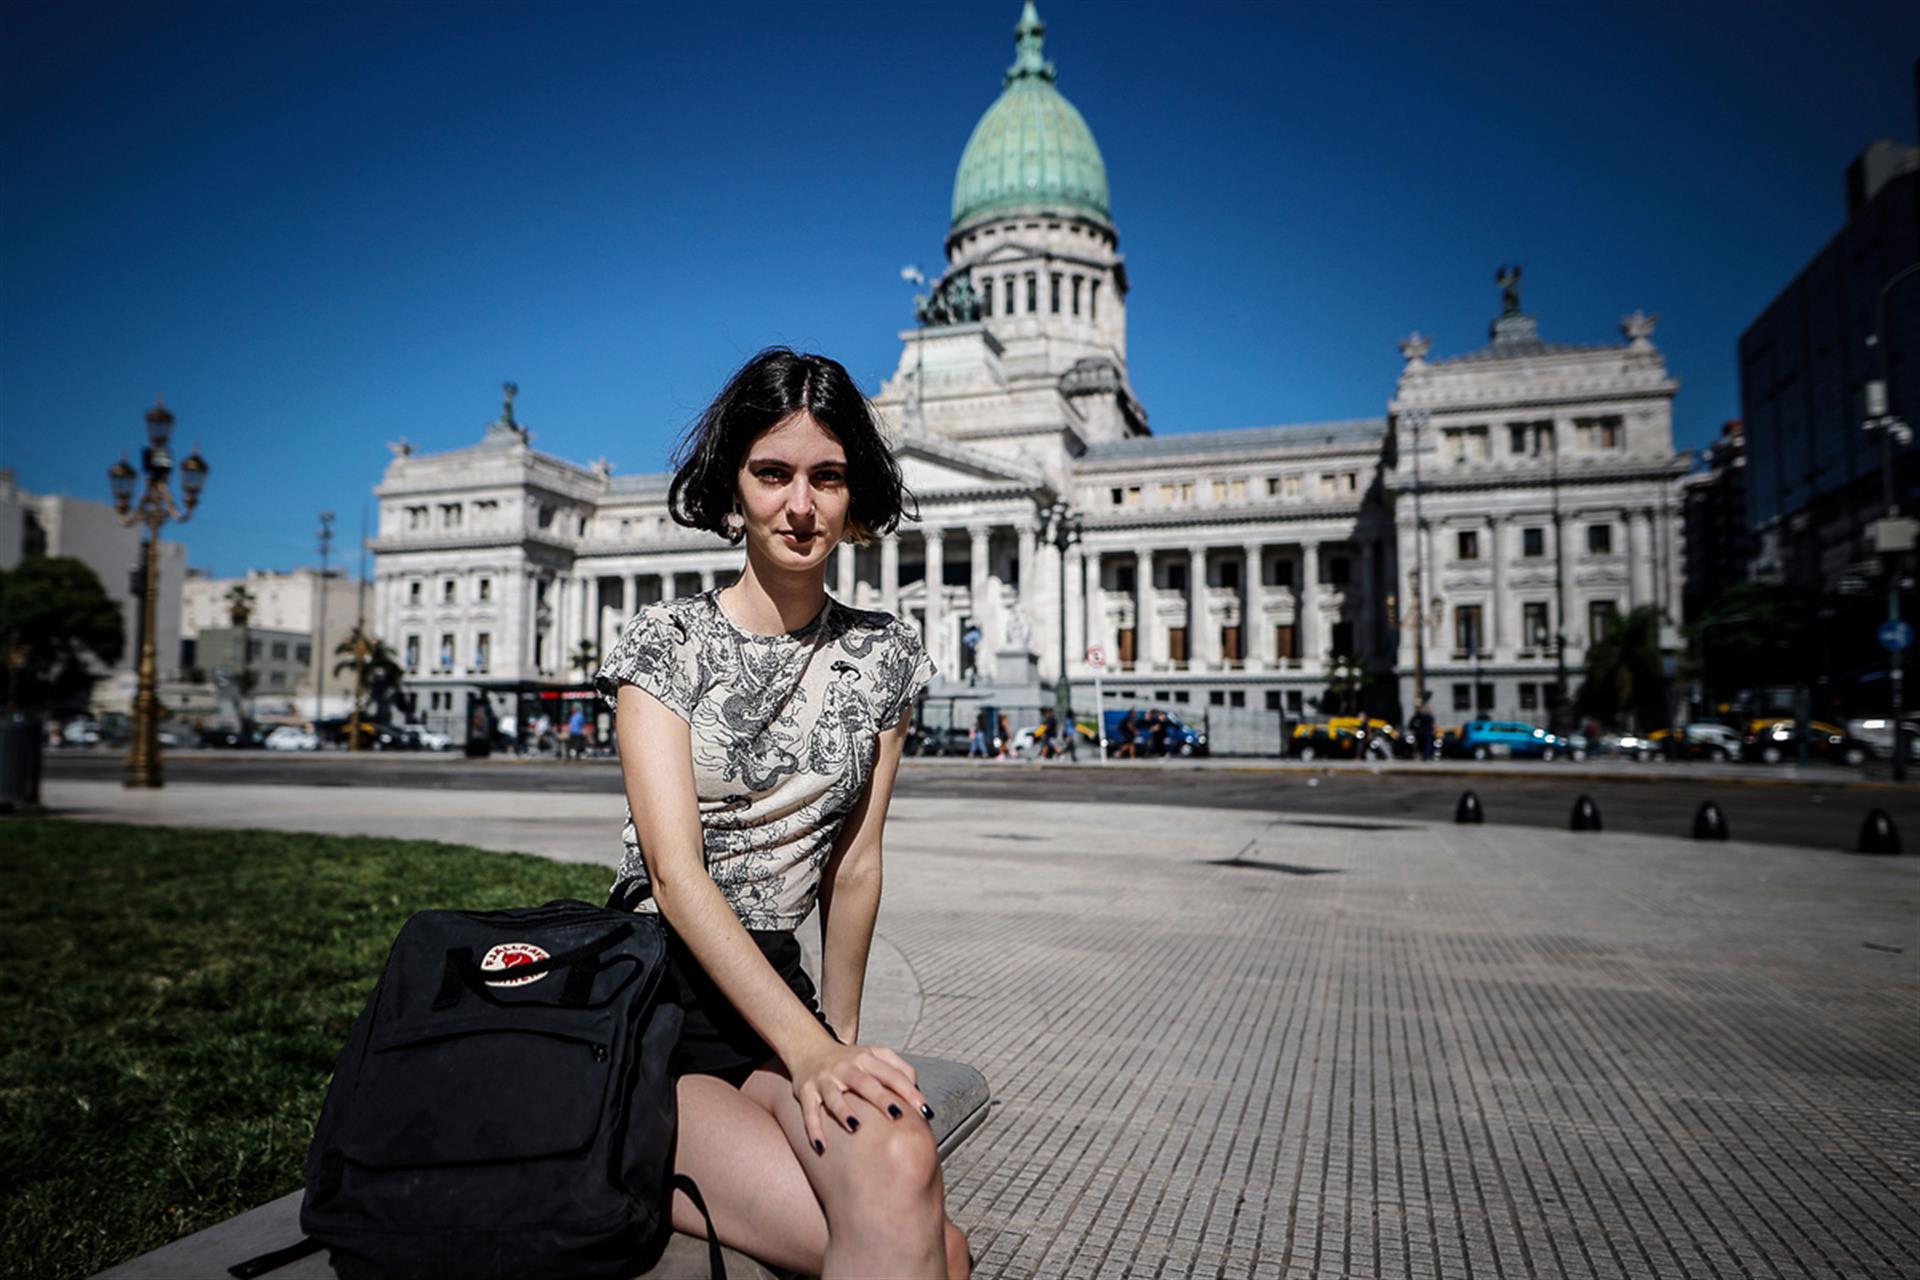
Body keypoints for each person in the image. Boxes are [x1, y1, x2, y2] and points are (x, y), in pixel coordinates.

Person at [595, 348, 967, 1278]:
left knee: (898, 1154)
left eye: (828, 477)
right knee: (940, 1257)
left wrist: (836, 1039)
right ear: (734, 489)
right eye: (774, 474)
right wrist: (808, 1052)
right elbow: (676, 879)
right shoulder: (664, 642)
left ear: (856, 496)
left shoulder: (886, 654)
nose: (801, 506)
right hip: (662, 1002)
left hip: (774, 995)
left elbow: (857, 863)